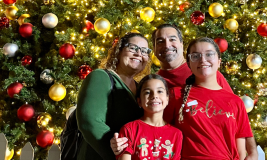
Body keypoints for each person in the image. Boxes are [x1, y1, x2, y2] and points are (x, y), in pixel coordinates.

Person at [111, 24, 257, 159]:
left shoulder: (208, 71)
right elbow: (154, 127)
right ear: (154, 50)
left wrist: (252, 151)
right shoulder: (158, 86)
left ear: (181, 44)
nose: (167, 45)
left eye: (172, 39)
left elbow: (236, 119)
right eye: (160, 41)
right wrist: (125, 142)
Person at [167, 37, 254, 160]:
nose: (203, 60)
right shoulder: (176, 95)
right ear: (189, 63)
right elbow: (161, 133)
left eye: (209, 54)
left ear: (218, 61)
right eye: (196, 56)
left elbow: (240, 150)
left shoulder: (235, 102)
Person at [76, 32, 152, 160]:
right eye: (133, 48)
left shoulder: (141, 88)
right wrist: (119, 154)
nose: (139, 54)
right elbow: (89, 122)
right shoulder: (100, 77)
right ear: (119, 51)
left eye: (145, 51)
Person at [117, 74, 182, 160]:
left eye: (159, 91)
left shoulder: (176, 134)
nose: (154, 96)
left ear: (167, 99)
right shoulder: (129, 129)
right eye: (147, 92)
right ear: (139, 101)